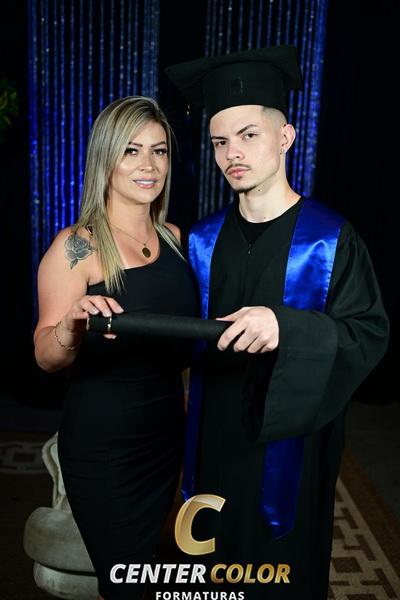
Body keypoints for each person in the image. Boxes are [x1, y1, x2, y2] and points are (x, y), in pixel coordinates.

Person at [165, 45, 390, 598]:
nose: (232, 154)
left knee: (281, 574)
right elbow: (177, 336)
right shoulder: (201, 240)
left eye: (249, 135)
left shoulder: (330, 239)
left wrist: (286, 327)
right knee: (213, 569)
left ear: (286, 137)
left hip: (294, 443)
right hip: (213, 438)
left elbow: (368, 333)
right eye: (220, 141)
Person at [33, 96, 199, 600]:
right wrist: (72, 324)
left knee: (142, 572)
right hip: (104, 445)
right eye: (131, 150)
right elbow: (45, 355)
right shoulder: (78, 245)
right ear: (105, 158)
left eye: (158, 150)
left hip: (164, 435)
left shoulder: (175, 239)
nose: (148, 165)